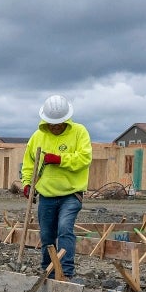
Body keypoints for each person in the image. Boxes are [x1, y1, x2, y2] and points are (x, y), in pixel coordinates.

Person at [20, 94, 92, 281]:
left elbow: (85, 158)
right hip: (46, 194)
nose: (56, 127)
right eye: (52, 123)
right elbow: (29, 163)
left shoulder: (79, 132)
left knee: (64, 229)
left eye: (59, 123)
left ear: (66, 119)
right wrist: (27, 183)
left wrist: (60, 159)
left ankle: (65, 272)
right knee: (47, 234)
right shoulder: (38, 137)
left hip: (71, 193)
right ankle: (49, 270)